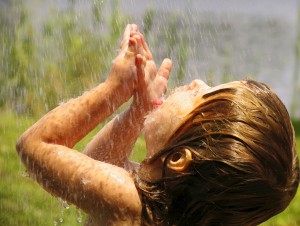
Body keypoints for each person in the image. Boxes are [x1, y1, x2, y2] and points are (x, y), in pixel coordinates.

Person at [16, 24, 299, 226]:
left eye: (200, 96)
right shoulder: (162, 210)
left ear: (178, 159)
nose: (197, 82)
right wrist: (138, 111)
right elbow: (97, 163)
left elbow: (34, 145)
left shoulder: (128, 200)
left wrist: (111, 93)